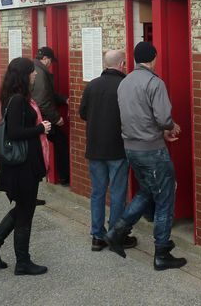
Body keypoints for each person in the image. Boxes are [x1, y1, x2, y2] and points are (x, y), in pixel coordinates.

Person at [105, 41, 187, 271]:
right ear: (153, 58)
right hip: (152, 149)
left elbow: (133, 115)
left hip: (131, 148)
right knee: (165, 199)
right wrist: (171, 127)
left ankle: (117, 231)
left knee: (147, 191)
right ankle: (162, 252)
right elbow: (162, 118)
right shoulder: (154, 83)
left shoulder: (125, 82)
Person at [0, 57, 51, 275]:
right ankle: (22, 262)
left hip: (23, 164)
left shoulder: (15, 97)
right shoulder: (18, 100)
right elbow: (14, 132)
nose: (36, 74)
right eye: (32, 71)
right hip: (22, 166)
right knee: (25, 211)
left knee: (22, 207)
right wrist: (40, 128)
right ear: (23, 75)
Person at [79, 49, 137, 252]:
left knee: (97, 192)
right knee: (118, 193)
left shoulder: (92, 85)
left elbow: (83, 113)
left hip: (95, 148)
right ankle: (115, 234)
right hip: (117, 148)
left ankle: (97, 236)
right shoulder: (124, 86)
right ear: (122, 64)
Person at [32, 46, 70, 186]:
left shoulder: (35, 68)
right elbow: (43, 100)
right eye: (50, 61)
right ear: (45, 59)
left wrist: (64, 99)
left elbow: (49, 94)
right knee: (61, 142)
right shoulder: (41, 73)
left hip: (39, 116)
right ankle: (64, 176)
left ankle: (61, 175)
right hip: (43, 118)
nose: (51, 64)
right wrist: (56, 118)